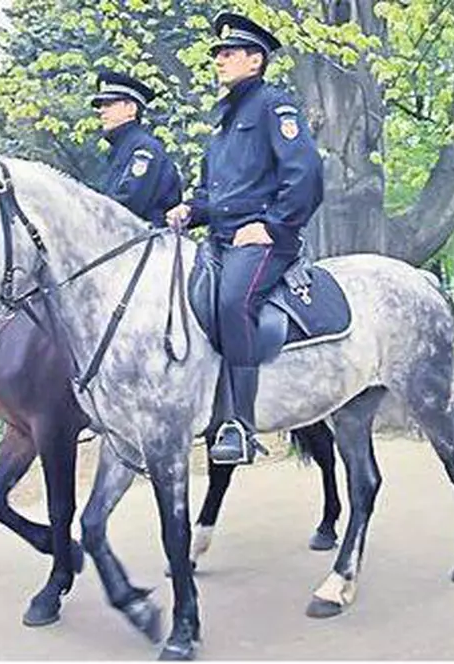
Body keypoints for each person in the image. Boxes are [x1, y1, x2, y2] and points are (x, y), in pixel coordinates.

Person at [165, 11, 324, 465]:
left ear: (256, 61)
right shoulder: (222, 122)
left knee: (234, 300)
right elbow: (212, 192)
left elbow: (306, 175)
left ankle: (240, 423)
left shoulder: (276, 107)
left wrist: (273, 225)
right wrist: (189, 210)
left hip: (265, 238)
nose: (219, 59)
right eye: (218, 53)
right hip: (220, 237)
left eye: (228, 53)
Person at [91, 70, 183, 228]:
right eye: (101, 106)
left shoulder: (144, 149)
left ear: (131, 109)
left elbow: (128, 206)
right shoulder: (119, 149)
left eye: (109, 104)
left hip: (153, 245)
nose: (102, 111)